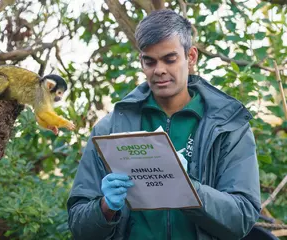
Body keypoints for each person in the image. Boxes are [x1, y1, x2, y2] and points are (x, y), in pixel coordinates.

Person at [67, 9, 261, 240]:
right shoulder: (110, 129)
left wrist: (188, 189)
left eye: (170, 59)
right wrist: (106, 207)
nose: (159, 70)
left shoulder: (228, 127)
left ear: (191, 57)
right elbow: (79, 226)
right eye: (150, 61)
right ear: (141, 62)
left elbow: (242, 218)